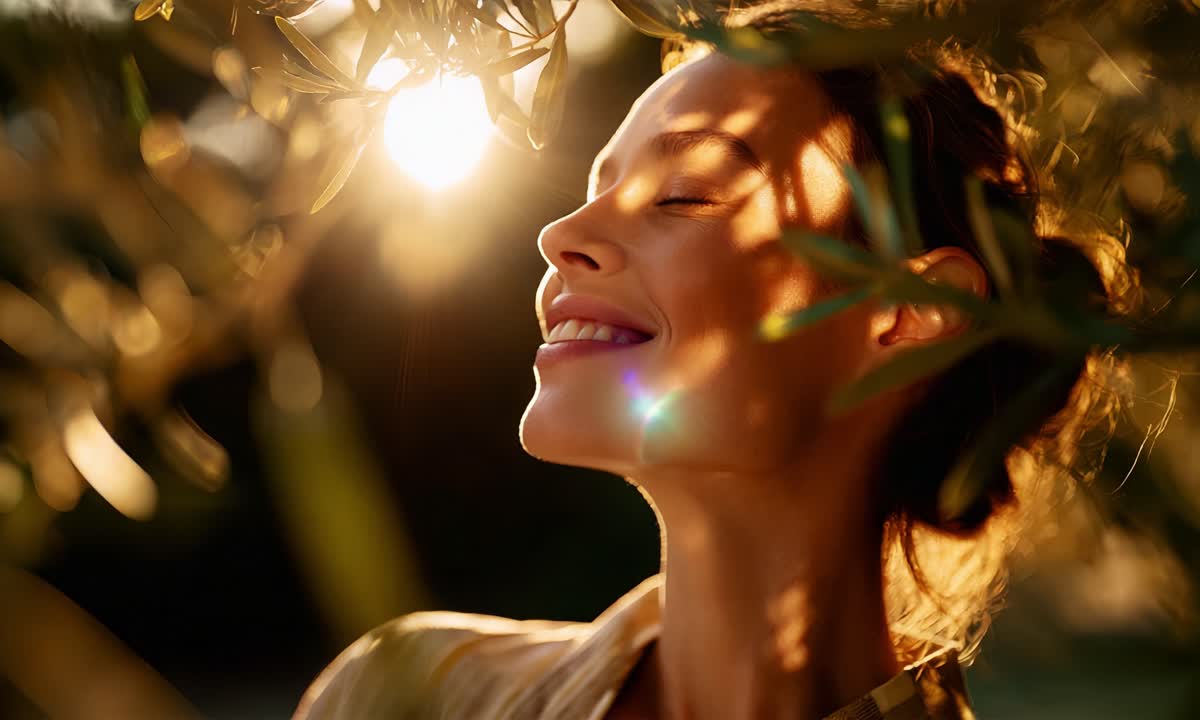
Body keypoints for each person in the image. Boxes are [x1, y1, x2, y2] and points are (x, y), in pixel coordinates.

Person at [295, 4, 1132, 719]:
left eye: (683, 195)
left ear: (909, 311)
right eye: (592, 191)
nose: (561, 238)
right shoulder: (408, 693)